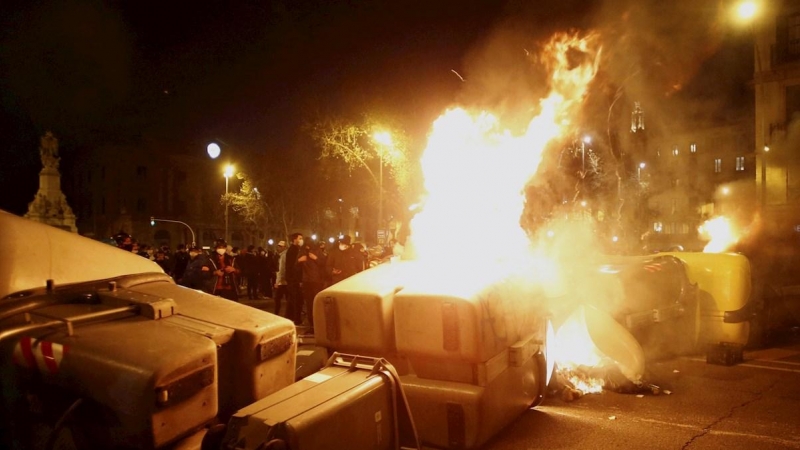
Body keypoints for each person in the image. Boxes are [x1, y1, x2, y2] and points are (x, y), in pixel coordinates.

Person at [298, 241, 325, 333]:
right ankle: (312, 326)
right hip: (307, 281)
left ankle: (317, 325)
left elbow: (324, 264)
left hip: (316, 282)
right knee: (309, 304)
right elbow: (296, 267)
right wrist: (299, 261)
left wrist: (316, 258)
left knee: (316, 304)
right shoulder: (302, 252)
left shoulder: (317, 252)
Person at [285, 233, 305, 325]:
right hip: (293, 279)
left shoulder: (296, 249)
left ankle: (289, 317)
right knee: (296, 300)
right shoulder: (293, 250)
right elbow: (291, 266)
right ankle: (296, 319)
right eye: (300, 238)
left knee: (292, 300)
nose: (301, 240)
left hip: (293, 279)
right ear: (294, 240)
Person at [273, 240, 289, 316]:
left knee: (277, 299)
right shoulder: (283, 255)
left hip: (282, 282)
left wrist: (277, 282)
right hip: (284, 281)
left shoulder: (283, 256)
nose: (278, 248)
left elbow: (282, 269)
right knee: (287, 298)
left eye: (280, 246)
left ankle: (276, 314)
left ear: (284, 247)